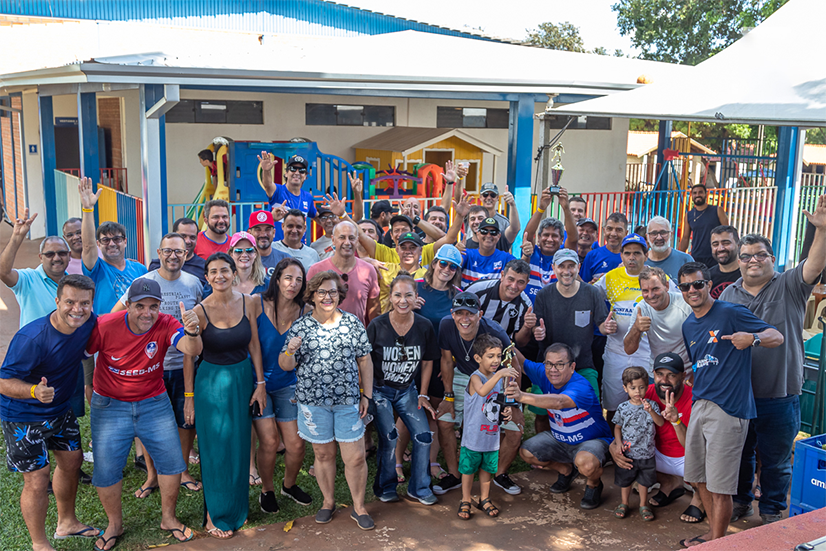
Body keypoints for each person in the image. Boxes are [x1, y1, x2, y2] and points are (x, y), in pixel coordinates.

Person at [720, 200, 826, 525]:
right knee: (739, 457)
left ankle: (771, 510)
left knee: (777, 460)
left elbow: (814, 264)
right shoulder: (727, 296)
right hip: (740, 396)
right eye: (747, 256)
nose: (754, 261)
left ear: (772, 258)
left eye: (760, 255)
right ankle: (739, 502)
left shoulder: (790, 285)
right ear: (738, 262)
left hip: (781, 395)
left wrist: (821, 228)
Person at [87, 277, 204, 550]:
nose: (147, 313)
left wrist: (193, 332)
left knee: (173, 462)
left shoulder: (166, 323)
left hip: (154, 402)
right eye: (140, 306)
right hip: (110, 405)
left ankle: (168, 518)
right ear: (128, 305)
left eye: (153, 306)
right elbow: (82, 351)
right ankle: (114, 525)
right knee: (106, 470)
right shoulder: (105, 325)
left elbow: (191, 350)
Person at [677, 262, 782, 547]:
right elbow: (704, 359)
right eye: (685, 286)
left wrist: (753, 339)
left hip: (729, 409)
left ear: (709, 285)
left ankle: (717, 543)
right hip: (700, 404)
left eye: (697, 284)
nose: (692, 290)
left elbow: (777, 336)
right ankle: (713, 536)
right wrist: (692, 374)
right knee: (698, 479)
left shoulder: (731, 312)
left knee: (720, 486)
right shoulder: (689, 325)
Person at [0, 275, 101, 551]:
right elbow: (4, 381)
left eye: (84, 303)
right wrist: (34, 391)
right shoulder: (32, 338)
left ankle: (66, 523)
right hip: (23, 413)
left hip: (59, 408)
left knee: (72, 462)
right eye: (69, 302)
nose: (77, 309)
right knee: (37, 477)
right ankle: (39, 543)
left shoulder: (88, 322)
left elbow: (89, 350)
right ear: (57, 301)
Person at [279, 271, 375, 531]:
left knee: (355, 457)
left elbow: (364, 359)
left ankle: (359, 506)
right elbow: (285, 364)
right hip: (313, 402)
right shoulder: (300, 327)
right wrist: (291, 350)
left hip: (348, 401)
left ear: (340, 295)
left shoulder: (353, 323)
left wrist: (367, 394)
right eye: (321, 292)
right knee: (323, 453)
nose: (327, 296)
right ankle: (328, 501)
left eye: (332, 291)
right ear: (311, 296)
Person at [112, 233, 204, 495]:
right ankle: (152, 474)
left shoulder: (195, 283)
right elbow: (116, 314)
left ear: (186, 254)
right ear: (159, 253)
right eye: (168, 251)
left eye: (179, 251)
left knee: (186, 421)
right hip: (150, 366)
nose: (173, 256)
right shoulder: (144, 282)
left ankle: (183, 469)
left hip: (184, 363)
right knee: (148, 423)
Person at [188, 253, 267, 539]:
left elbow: (254, 344)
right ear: (206, 278)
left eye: (225, 270)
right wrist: (188, 396)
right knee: (215, 448)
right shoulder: (199, 310)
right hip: (211, 383)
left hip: (243, 378)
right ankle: (214, 513)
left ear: (234, 273)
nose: (219, 276)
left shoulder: (249, 302)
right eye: (213, 272)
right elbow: (189, 356)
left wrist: (260, 383)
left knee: (239, 443)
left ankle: (235, 509)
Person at [432, 292, 517, 496]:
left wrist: (511, 403)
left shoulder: (494, 331)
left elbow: (513, 366)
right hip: (463, 372)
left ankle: (500, 474)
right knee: (444, 421)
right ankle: (454, 475)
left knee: (514, 428)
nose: (465, 319)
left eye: (470, 314)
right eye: (459, 313)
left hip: (495, 374)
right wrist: (448, 396)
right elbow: (445, 360)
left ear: (479, 314)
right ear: (452, 314)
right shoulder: (445, 325)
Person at [508, 343, 612, 510]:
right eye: (549, 363)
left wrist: (521, 396)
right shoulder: (545, 373)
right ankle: (566, 470)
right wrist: (504, 339)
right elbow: (521, 361)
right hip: (560, 439)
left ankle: (593, 485)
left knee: (586, 464)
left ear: (572, 367)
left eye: (560, 364)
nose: (553, 369)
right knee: (527, 452)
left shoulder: (581, 386)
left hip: (593, 441)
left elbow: (559, 402)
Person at [367, 274, 439, 505]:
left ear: (416, 297)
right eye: (398, 295)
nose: (403, 300)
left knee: (424, 436)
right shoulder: (377, 325)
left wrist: (423, 394)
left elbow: (428, 361)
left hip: (408, 390)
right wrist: (366, 395)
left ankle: (419, 487)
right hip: (380, 390)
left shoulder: (424, 325)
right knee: (389, 436)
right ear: (391, 297)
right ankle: (385, 486)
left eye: (408, 295)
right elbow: (365, 361)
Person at [611, 353, 704, 524]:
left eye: (671, 375)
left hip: (686, 456)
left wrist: (676, 420)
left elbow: (692, 446)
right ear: (653, 374)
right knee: (634, 463)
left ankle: (698, 500)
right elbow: (626, 427)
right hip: (656, 453)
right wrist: (614, 446)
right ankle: (670, 484)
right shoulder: (645, 392)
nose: (664, 380)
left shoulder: (695, 398)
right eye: (660, 374)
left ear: (683, 376)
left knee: (708, 464)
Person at [252, 258, 313, 513]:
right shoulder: (256, 302)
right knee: (268, 441)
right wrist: (259, 382)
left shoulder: (306, 310)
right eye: (288, 278)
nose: (293, 284)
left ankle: (289, 485)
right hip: (259, 383)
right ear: (276, 279)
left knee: (296, 444)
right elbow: (252, 345)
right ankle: (267, 490)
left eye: (299, 279)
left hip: (289, 383)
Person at [533, 249, 611, 407]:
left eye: (571, 266)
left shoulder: (591, 293)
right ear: (554, 267)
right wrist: (537, 332)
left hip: (582, 364)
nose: (566, 271)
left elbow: (602, 325)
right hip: (549, 365)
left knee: (591, 407)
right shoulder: (543, 295)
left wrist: (607, 327)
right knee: (541, 412)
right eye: (562, 266)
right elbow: (536, 328)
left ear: (579, 267)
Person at [594, 234, 656, 416]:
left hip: (645, 353)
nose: (632, 258)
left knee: (645, 403)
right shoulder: (611, 277)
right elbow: (589, 298)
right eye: (627, 253)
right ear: (621, 255)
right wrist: (601, 324)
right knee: (613, 405)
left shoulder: (655, 278)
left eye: (637, 253)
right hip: (615, 352)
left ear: (646, 254)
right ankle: (614, 442)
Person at [457, 334, 517, 520]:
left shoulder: (499, 380)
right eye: (490, 356)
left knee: (487, 470)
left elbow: (499, 403)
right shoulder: (475, 378)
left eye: (498, 356)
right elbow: (483, 391)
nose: (496, 360)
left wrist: (507, 413)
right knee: (468, 471)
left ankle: (485, 498)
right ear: (478, 358)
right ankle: (465, 499)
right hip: (473, 438)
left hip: (491, 438)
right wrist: (500, 373)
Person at [78, 176, 148, 315]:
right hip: (107, 331)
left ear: (125, 241)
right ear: (98, 244)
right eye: (105, 240)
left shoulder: (140, 269)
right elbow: (87, 246)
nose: (111, 244)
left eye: (117, 239)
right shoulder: (96, 269)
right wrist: (88, 208)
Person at [0, 209, 69, 328]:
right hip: (35, 346)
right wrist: (17, 237)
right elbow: (3, 272)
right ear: (40, 257)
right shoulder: (28, 280)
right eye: (49, 254)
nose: (56, 258)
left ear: (69, 256)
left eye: (62, 253)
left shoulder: (73, 283)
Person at [611, 365, 663, 522]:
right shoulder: (622, 408)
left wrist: (651, 411)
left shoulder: (652, 405)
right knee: (625, 480)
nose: (637, 392)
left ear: (647, 387)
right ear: (625, 388)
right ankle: (624, 503)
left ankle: (643, 504)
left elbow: (660, 423)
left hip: (647, 452)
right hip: (628, 453)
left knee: (644, 481)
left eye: (641, 387)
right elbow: (617, 428)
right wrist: (618, 444)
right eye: (633, 387)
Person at [307, 220, 380, 326]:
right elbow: (308, 308)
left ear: (357, 240)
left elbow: (374, 312)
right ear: (333, 240)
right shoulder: (316, 270)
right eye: (342, 237)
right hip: (323, 338)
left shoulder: (368, 270)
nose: (347, 242)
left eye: (351, 238)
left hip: (357, 338)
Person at [624, 266, 692, 369]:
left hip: (686, 373)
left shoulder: (685, 304)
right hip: (657, 372)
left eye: (655, 289)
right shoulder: (641, 309)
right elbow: (628, 349)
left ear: (667, 286)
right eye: (645, 291)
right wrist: (636, 328)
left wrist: (694, 374)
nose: (650, 295)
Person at [519, 187, 577, 303]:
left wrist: (566, 208)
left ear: (562, 239)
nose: (550, 239)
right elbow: (527, 234)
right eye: (546, 235)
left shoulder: (565, 256)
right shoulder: (531, 252)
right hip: (529, 315)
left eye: (554, 236)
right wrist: (541, 208)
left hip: (555, 315)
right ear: (539, 238)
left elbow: (574, 239)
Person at [465, 259, 534, 346]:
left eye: (520, 282)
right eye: (511, 279)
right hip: (468, 342)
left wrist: (526, 327)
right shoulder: (477, 290)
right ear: (502, 276)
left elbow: (520, 343)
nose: (514, 286)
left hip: (499, 350)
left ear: (527, 283)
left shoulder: (526, 305)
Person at [259, 153, 318, 242]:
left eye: (302, 170)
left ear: (305, 176)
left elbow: (317, 216)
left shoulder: (308, 197)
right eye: (293, 169)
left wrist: (337, 214)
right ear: (286, 173)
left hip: (299, 250)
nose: (297, 173)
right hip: (278, 247)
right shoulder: (278, 190)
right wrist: (266, 171)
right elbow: (268, 185)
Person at [678, 183, 730, 269]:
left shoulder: (717, 210)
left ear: (706, 194)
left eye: (700, 192)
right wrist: (679, 255)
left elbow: (728, 232)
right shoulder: (689, 215)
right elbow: (685, 237)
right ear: (692, 196)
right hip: (696, 256)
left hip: (715, 255)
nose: (697, 195)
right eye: (695, 193)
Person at [148, 218, 207, 285]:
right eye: (183, 236)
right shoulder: (157, 265)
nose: (187, 241)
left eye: (192, 237)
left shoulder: (203, 267)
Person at [461, 218, 516, 287]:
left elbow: (520, 270)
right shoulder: (467, 254)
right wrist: (456, 251)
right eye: (484, 231)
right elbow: (452, 265)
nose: (488, 235)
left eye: (493, 232)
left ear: (498, 236)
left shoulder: (505, 258)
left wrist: (526, 255)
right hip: (467, 297)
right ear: (478, 234)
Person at [580, 212, 627, 283]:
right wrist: (592, 285)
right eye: (609, 229)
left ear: (626, 233)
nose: (613, 234)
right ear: (604, 231)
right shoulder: (592, 256)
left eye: (618, 230)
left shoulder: (630, 258)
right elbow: (582, 286)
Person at [248, 210, 290, 277]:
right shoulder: (243, 260)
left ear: (273, 233)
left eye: (267, 229)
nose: (263, 234)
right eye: (258, 229)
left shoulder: (285, 259)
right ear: (250, 233)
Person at [708, 225, 741, 299]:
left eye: (726, 243)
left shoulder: (749, 275)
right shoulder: (707, 276)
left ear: (738, 245)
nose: (720, 248)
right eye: (715, 244)